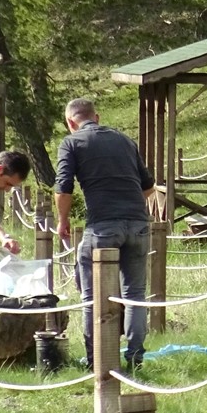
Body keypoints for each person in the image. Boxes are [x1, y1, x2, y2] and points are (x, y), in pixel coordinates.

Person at [55, 98, 155, 370]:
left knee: (92, 296)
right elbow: (148, 188)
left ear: (70, 122)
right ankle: (135, 358)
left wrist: (62, 221)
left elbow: (63, 189)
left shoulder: (71, 142)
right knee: (135, 294)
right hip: (137, 223)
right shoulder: (125, 140)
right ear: (96, 117)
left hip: (102, 225)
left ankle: (96, 359)